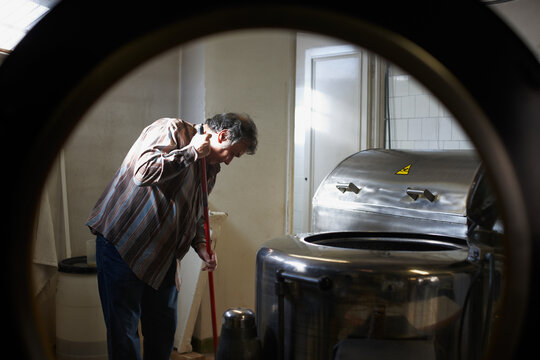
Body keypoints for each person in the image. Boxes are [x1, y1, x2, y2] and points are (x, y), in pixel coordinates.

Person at [86, 113, 258, 360]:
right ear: (221, 136)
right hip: (124, 245)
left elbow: (197, 209)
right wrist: (189, 153)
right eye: (232, 153)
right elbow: (142, 172)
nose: (229, 161)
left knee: (163, 332)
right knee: (124, 335)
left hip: (162, 258)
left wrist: (201, 244)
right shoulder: (172, 129)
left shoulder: (211, 169)